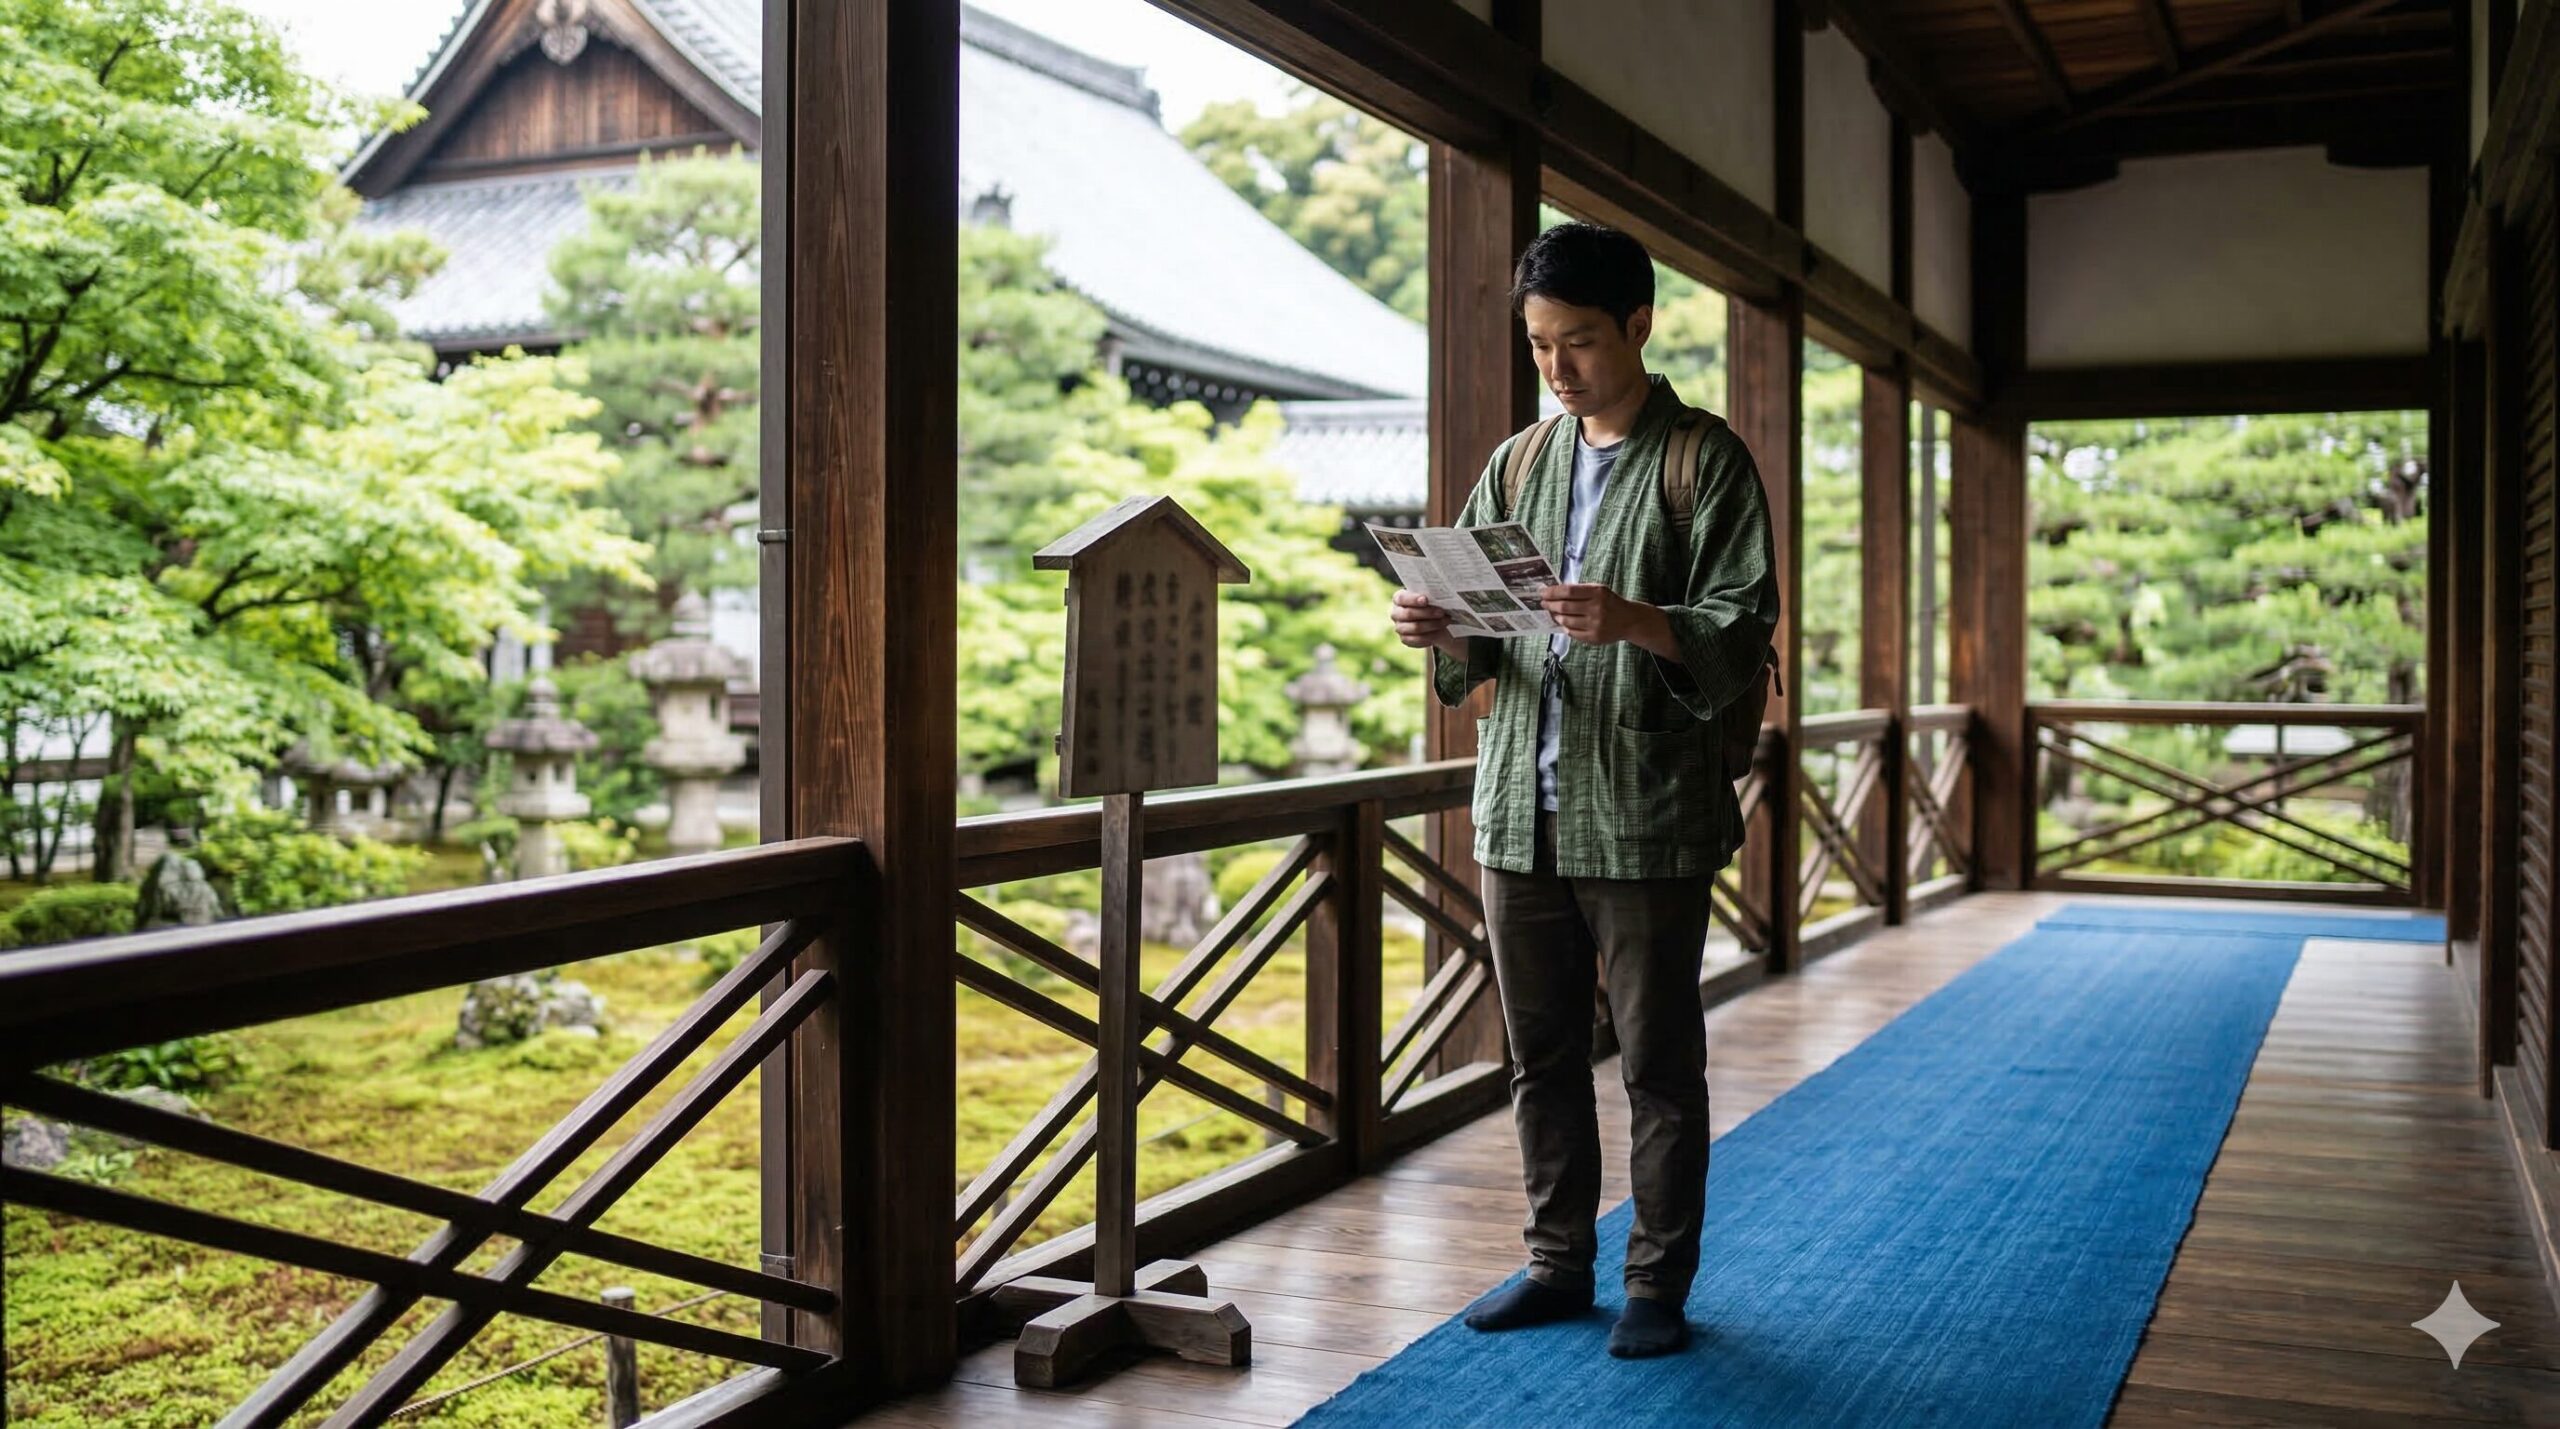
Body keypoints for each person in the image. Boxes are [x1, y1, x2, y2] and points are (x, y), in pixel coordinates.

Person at [1388, 222, 1780, 1358]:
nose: (1557, 369)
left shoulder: (1700, 459)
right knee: (1539, 1053)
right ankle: (1557, 1261)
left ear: (1640, 329)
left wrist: (1636, 620)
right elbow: (1474, 640)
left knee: (1659, 1062)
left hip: (1645, 809)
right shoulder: (1516, 465)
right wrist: (1434, 622)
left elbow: (1742, 622)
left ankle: (1658, 1278)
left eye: (1579, 343)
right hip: (1519, 806)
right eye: (1539, 345)